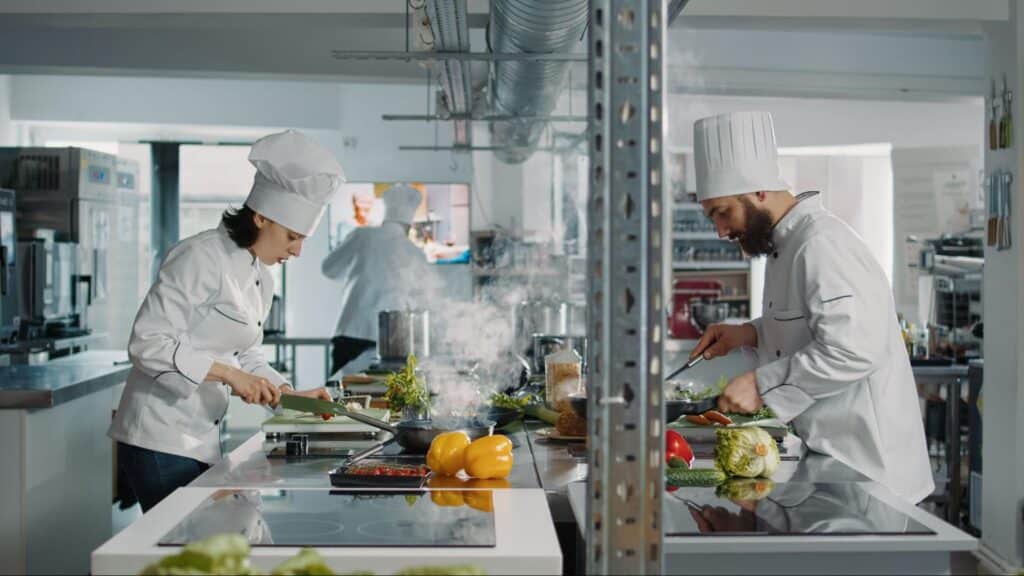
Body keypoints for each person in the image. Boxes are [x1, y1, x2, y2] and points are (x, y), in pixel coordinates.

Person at [689, 111, 933, 504]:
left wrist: (761, 385)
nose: (720, 230)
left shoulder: (821, 244)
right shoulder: (782, 246)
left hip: (872, 471)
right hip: (833, 460)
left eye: (722, 212)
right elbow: (808, 327)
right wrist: (748, 333)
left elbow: (852, 349)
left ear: (759, 192)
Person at [109, 130, 341, 512]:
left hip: (201, 437)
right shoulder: (199, 256)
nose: (297, 251)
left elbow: (247, 353)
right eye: (292, 237)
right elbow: (147, 344)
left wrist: (290, 395)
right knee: (190, 555)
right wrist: (230, 376)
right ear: (262, 217)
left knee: (208, 545)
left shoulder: (260, 276)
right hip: (158, 436)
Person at [322, 184, 435, 373]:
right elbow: (423, 300)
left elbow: (329, 269)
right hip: (393, 341)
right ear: (409, 224)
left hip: (352, 331)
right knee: (384, 397)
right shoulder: (415, 253)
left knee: (342, 393)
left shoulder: (362, 235)